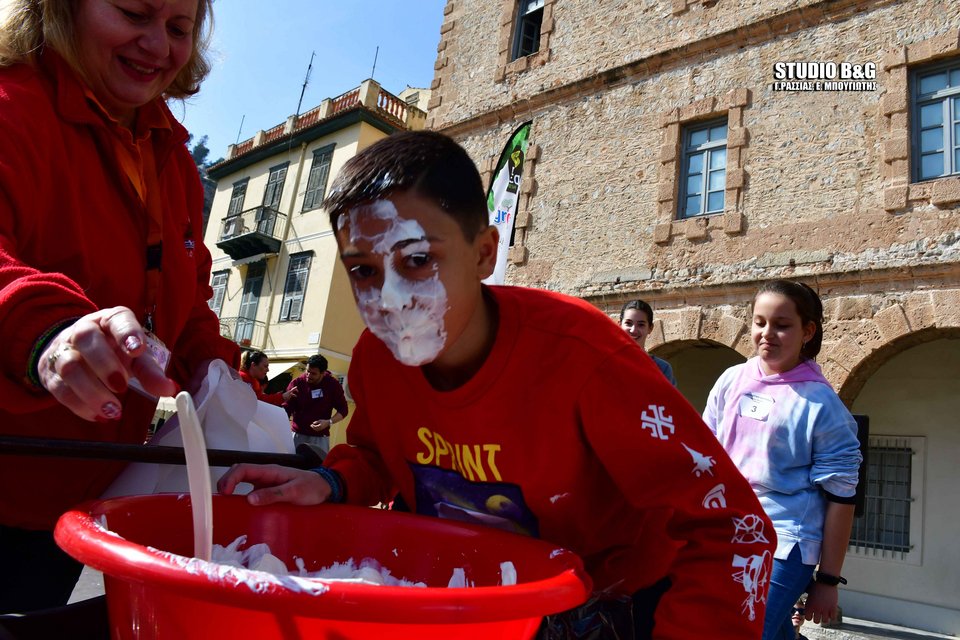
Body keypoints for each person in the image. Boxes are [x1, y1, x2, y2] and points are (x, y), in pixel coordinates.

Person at [218, 131, 776, 639]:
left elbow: (734, 527)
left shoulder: (588, 359)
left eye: (416, 260)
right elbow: (376, 452)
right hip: (461, 601)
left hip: (611, 605)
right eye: (362, 270)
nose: (386, 299)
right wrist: (331, 484)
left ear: (485, 252)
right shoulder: (375, 360)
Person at [0, 0, 238, 614]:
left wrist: (225, 379)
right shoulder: (13, 104)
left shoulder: (176, 162)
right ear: (62, 10)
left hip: (78, 503)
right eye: (135, 13)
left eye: (179, 29)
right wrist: (46, 330)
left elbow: (187, 310)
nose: (158, 46)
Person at [703, 280, 862, 640]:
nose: (767, 334)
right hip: (724, 529)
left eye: (782, 325)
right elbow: (705, 457)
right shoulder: (731, 380)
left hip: (785, 543)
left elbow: (841, 499)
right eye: (760, 322)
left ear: (808, 331)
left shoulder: (822, 405)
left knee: (745, 632)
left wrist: (827, 581)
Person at [284, 354, 348, 460]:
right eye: (307, 371)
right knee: (292, 468)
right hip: (297, 435)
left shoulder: (333, 385)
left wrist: (328, 422)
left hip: (320, 438)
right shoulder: (297, 383)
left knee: (317, 471)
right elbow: (286, 408)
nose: (308, 375)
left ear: (323, 373)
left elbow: (343, 410)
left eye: (313, 373)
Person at [619, 300, 677, 386]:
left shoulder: (662, 368)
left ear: (650, 328)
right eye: (628, 323)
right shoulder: (606, 363)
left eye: (641, 324)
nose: (633, 330)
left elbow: (667, 399)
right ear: (619, 325)